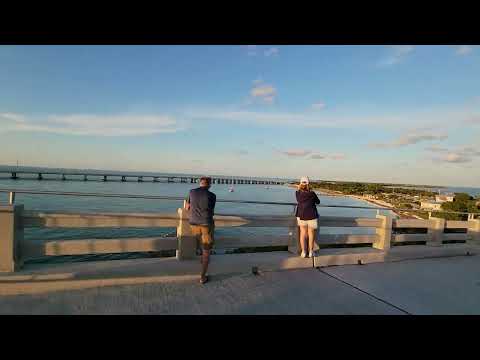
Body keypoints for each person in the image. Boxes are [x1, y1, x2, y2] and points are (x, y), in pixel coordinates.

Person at [185, 176, 216, 284]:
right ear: (209, 184)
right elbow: (211, 211)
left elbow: (187, 207)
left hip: (193, 223)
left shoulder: (191, 192)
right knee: (206, 250)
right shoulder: (212, 195)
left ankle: (202, 258)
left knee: (199, 243)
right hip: (206, 224)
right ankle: (202, 277)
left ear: (200, 183)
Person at [295, 176, 320, 258]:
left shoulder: (297, 193)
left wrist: (300, 187)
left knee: (303, 234)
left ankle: (303, 252)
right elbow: (318, 202)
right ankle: (311, 252)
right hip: (312, 216)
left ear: (300, 183)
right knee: (311, 234)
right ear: (309, 184)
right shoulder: (312, 193)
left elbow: (299, 199)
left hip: (301, 216)